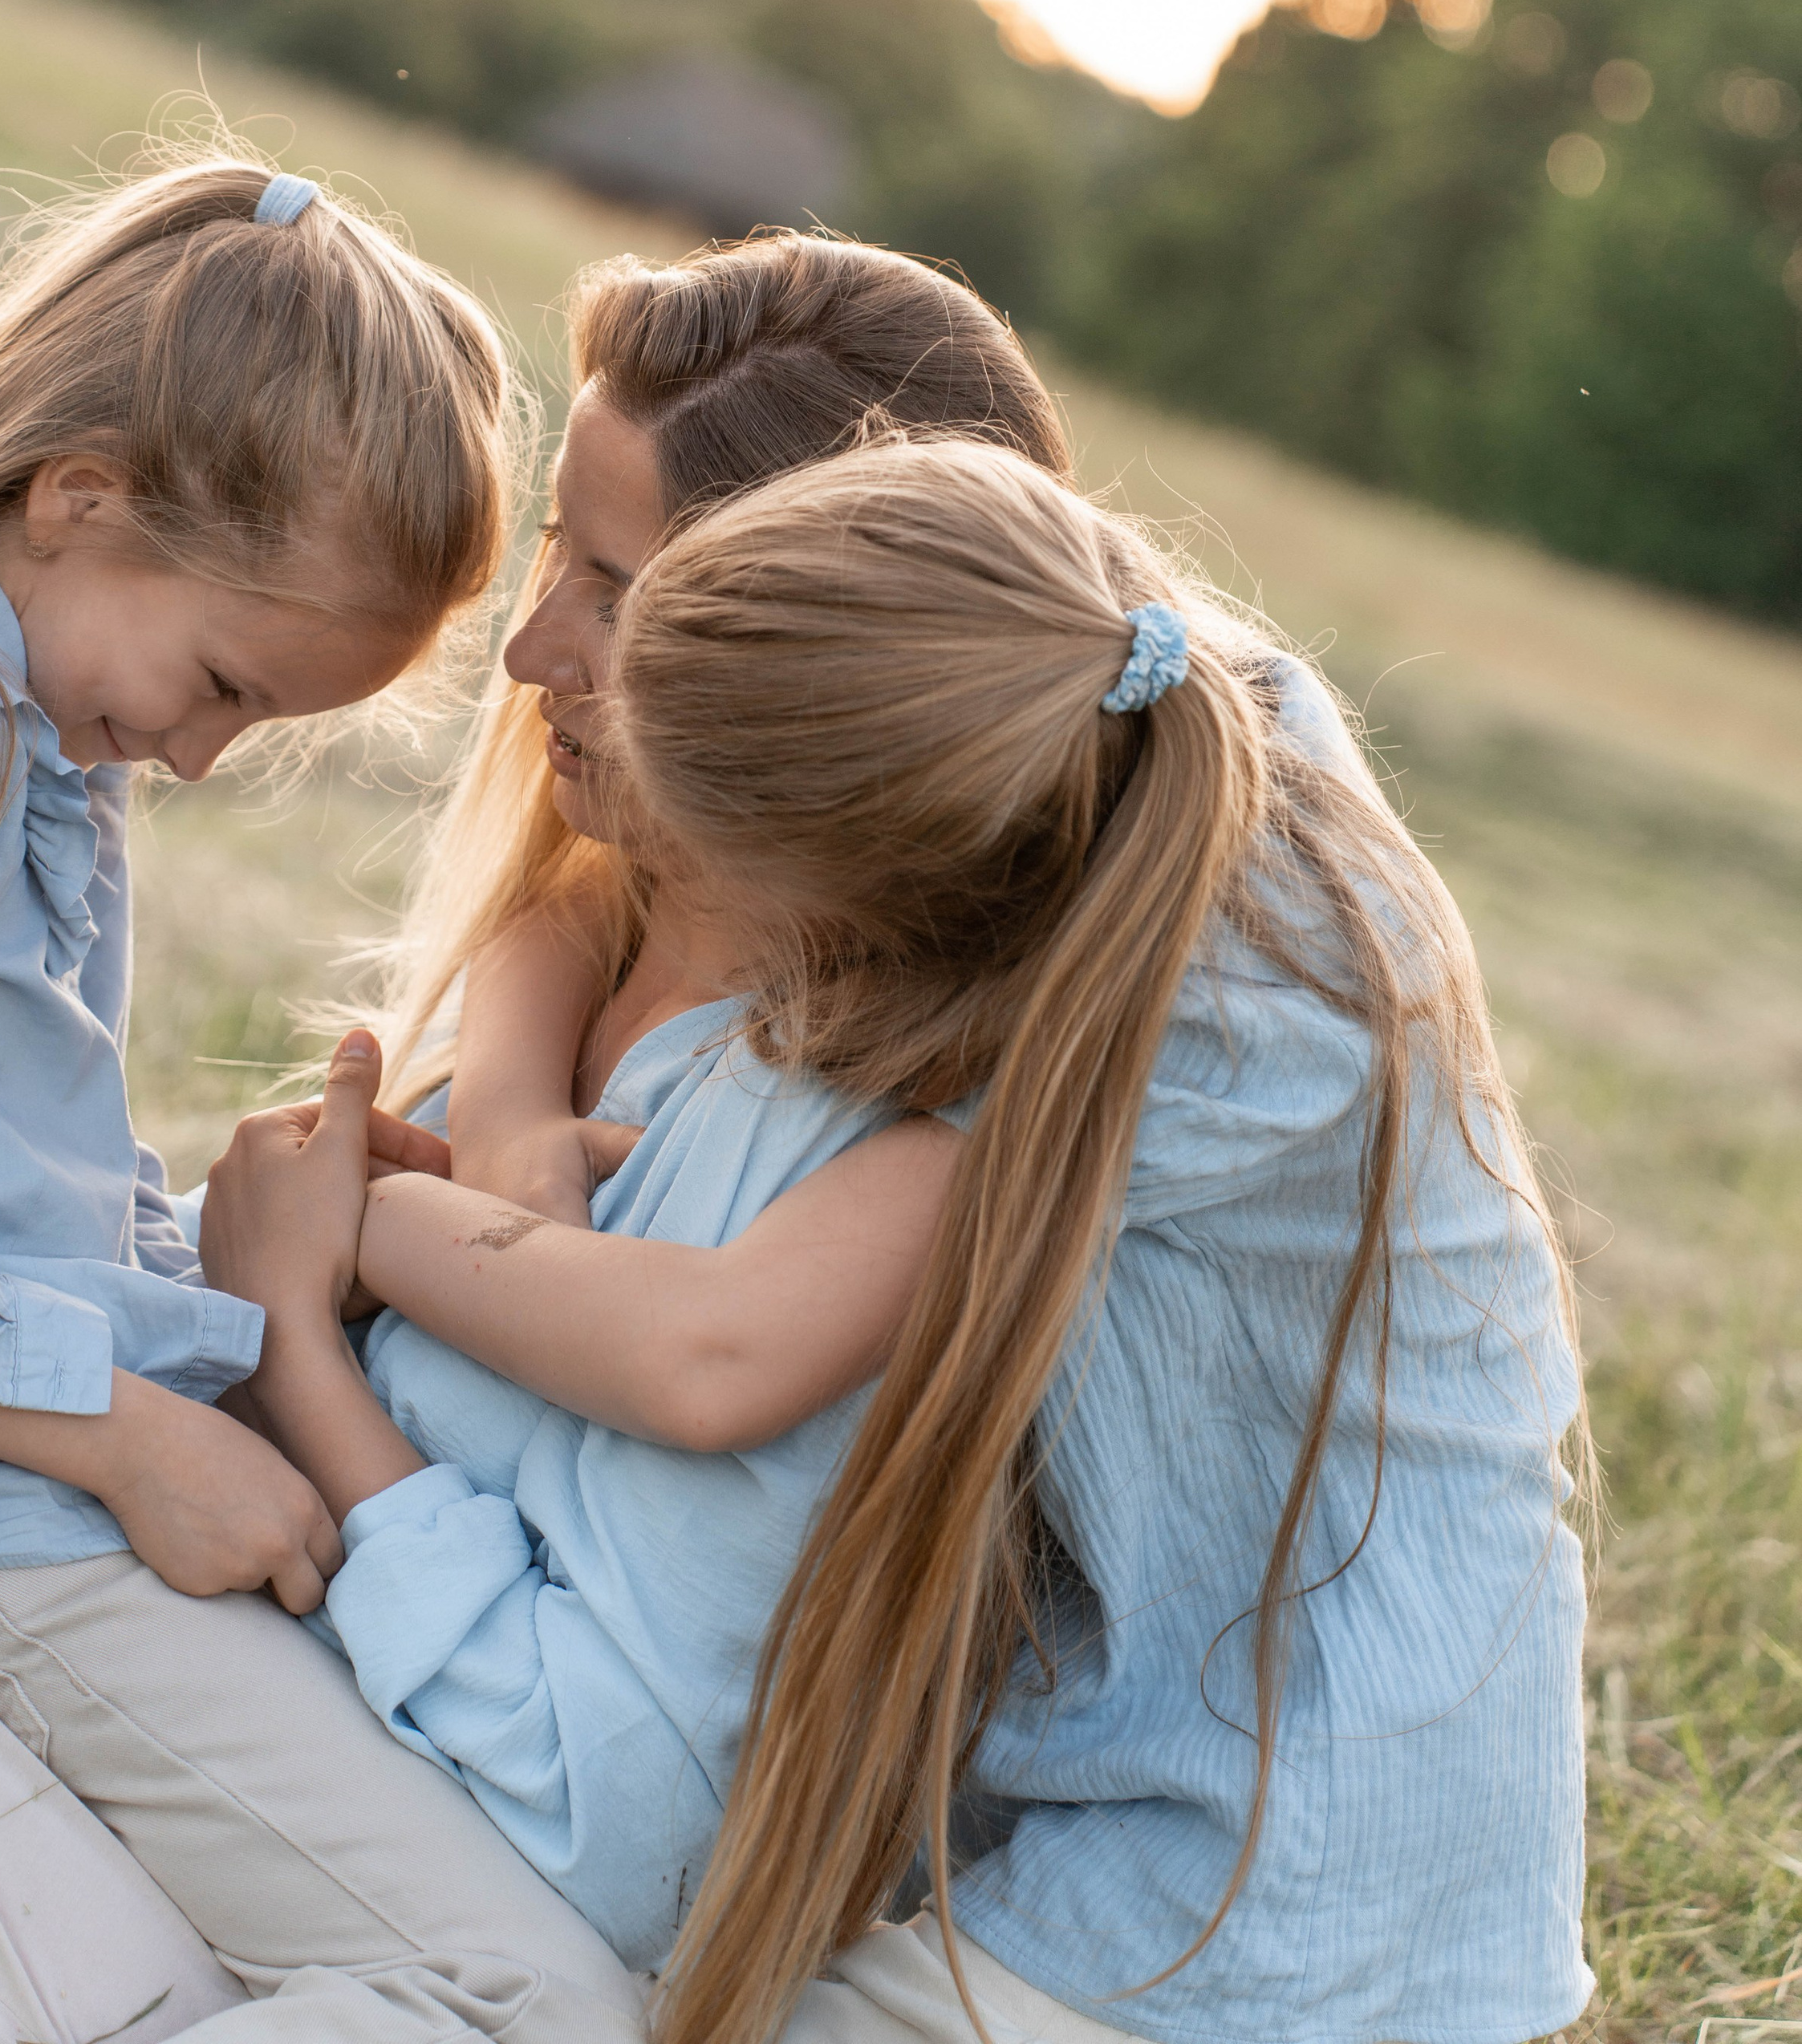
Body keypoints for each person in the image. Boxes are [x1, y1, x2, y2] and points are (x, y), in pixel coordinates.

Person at [204, 419, 1589, 2043]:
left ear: (886, 897)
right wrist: (496, 1134)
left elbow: (710, 1353)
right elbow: (587, 904)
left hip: (1256, 1917)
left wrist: (349, 1234)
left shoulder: (1195, 1009)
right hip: (1136, 1833)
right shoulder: (1076, 710)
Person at [0, 151, 647, 2044]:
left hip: (17, 1464)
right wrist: (132, 1439)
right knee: (533, 1998)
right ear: (77, 499)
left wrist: (248, 1289)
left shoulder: (29, 733)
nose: (210, 757)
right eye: (224, 682)